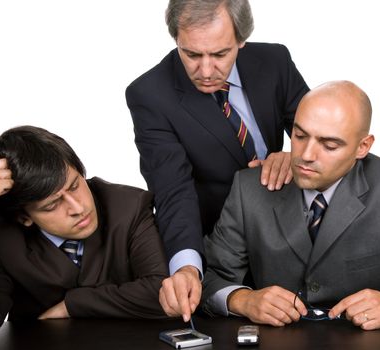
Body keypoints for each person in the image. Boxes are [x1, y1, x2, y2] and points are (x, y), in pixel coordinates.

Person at [201, 81, 380, 330]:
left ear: (363, 147)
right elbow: (205, 277)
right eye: (300, 136)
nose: (306, 155)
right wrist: (242, 300)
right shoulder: (250, 188)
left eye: (329, 145)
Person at [125, 0, 309, 322]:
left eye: (220, 55)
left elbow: (317, 131)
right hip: (223, 250)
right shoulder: (149, 95)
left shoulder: (275, 60)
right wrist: (186, 267)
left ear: (241, 40)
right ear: (176, 40)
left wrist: (295, 155)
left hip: (295, 226)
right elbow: (172, 190)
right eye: (192, 54)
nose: (206, 71)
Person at [0, 126, 168, 347]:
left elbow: (164, 291)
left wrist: (72, 305)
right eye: (52, 204)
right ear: (24, 217)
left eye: (74, 186)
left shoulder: (130, 206)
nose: (78, 207)